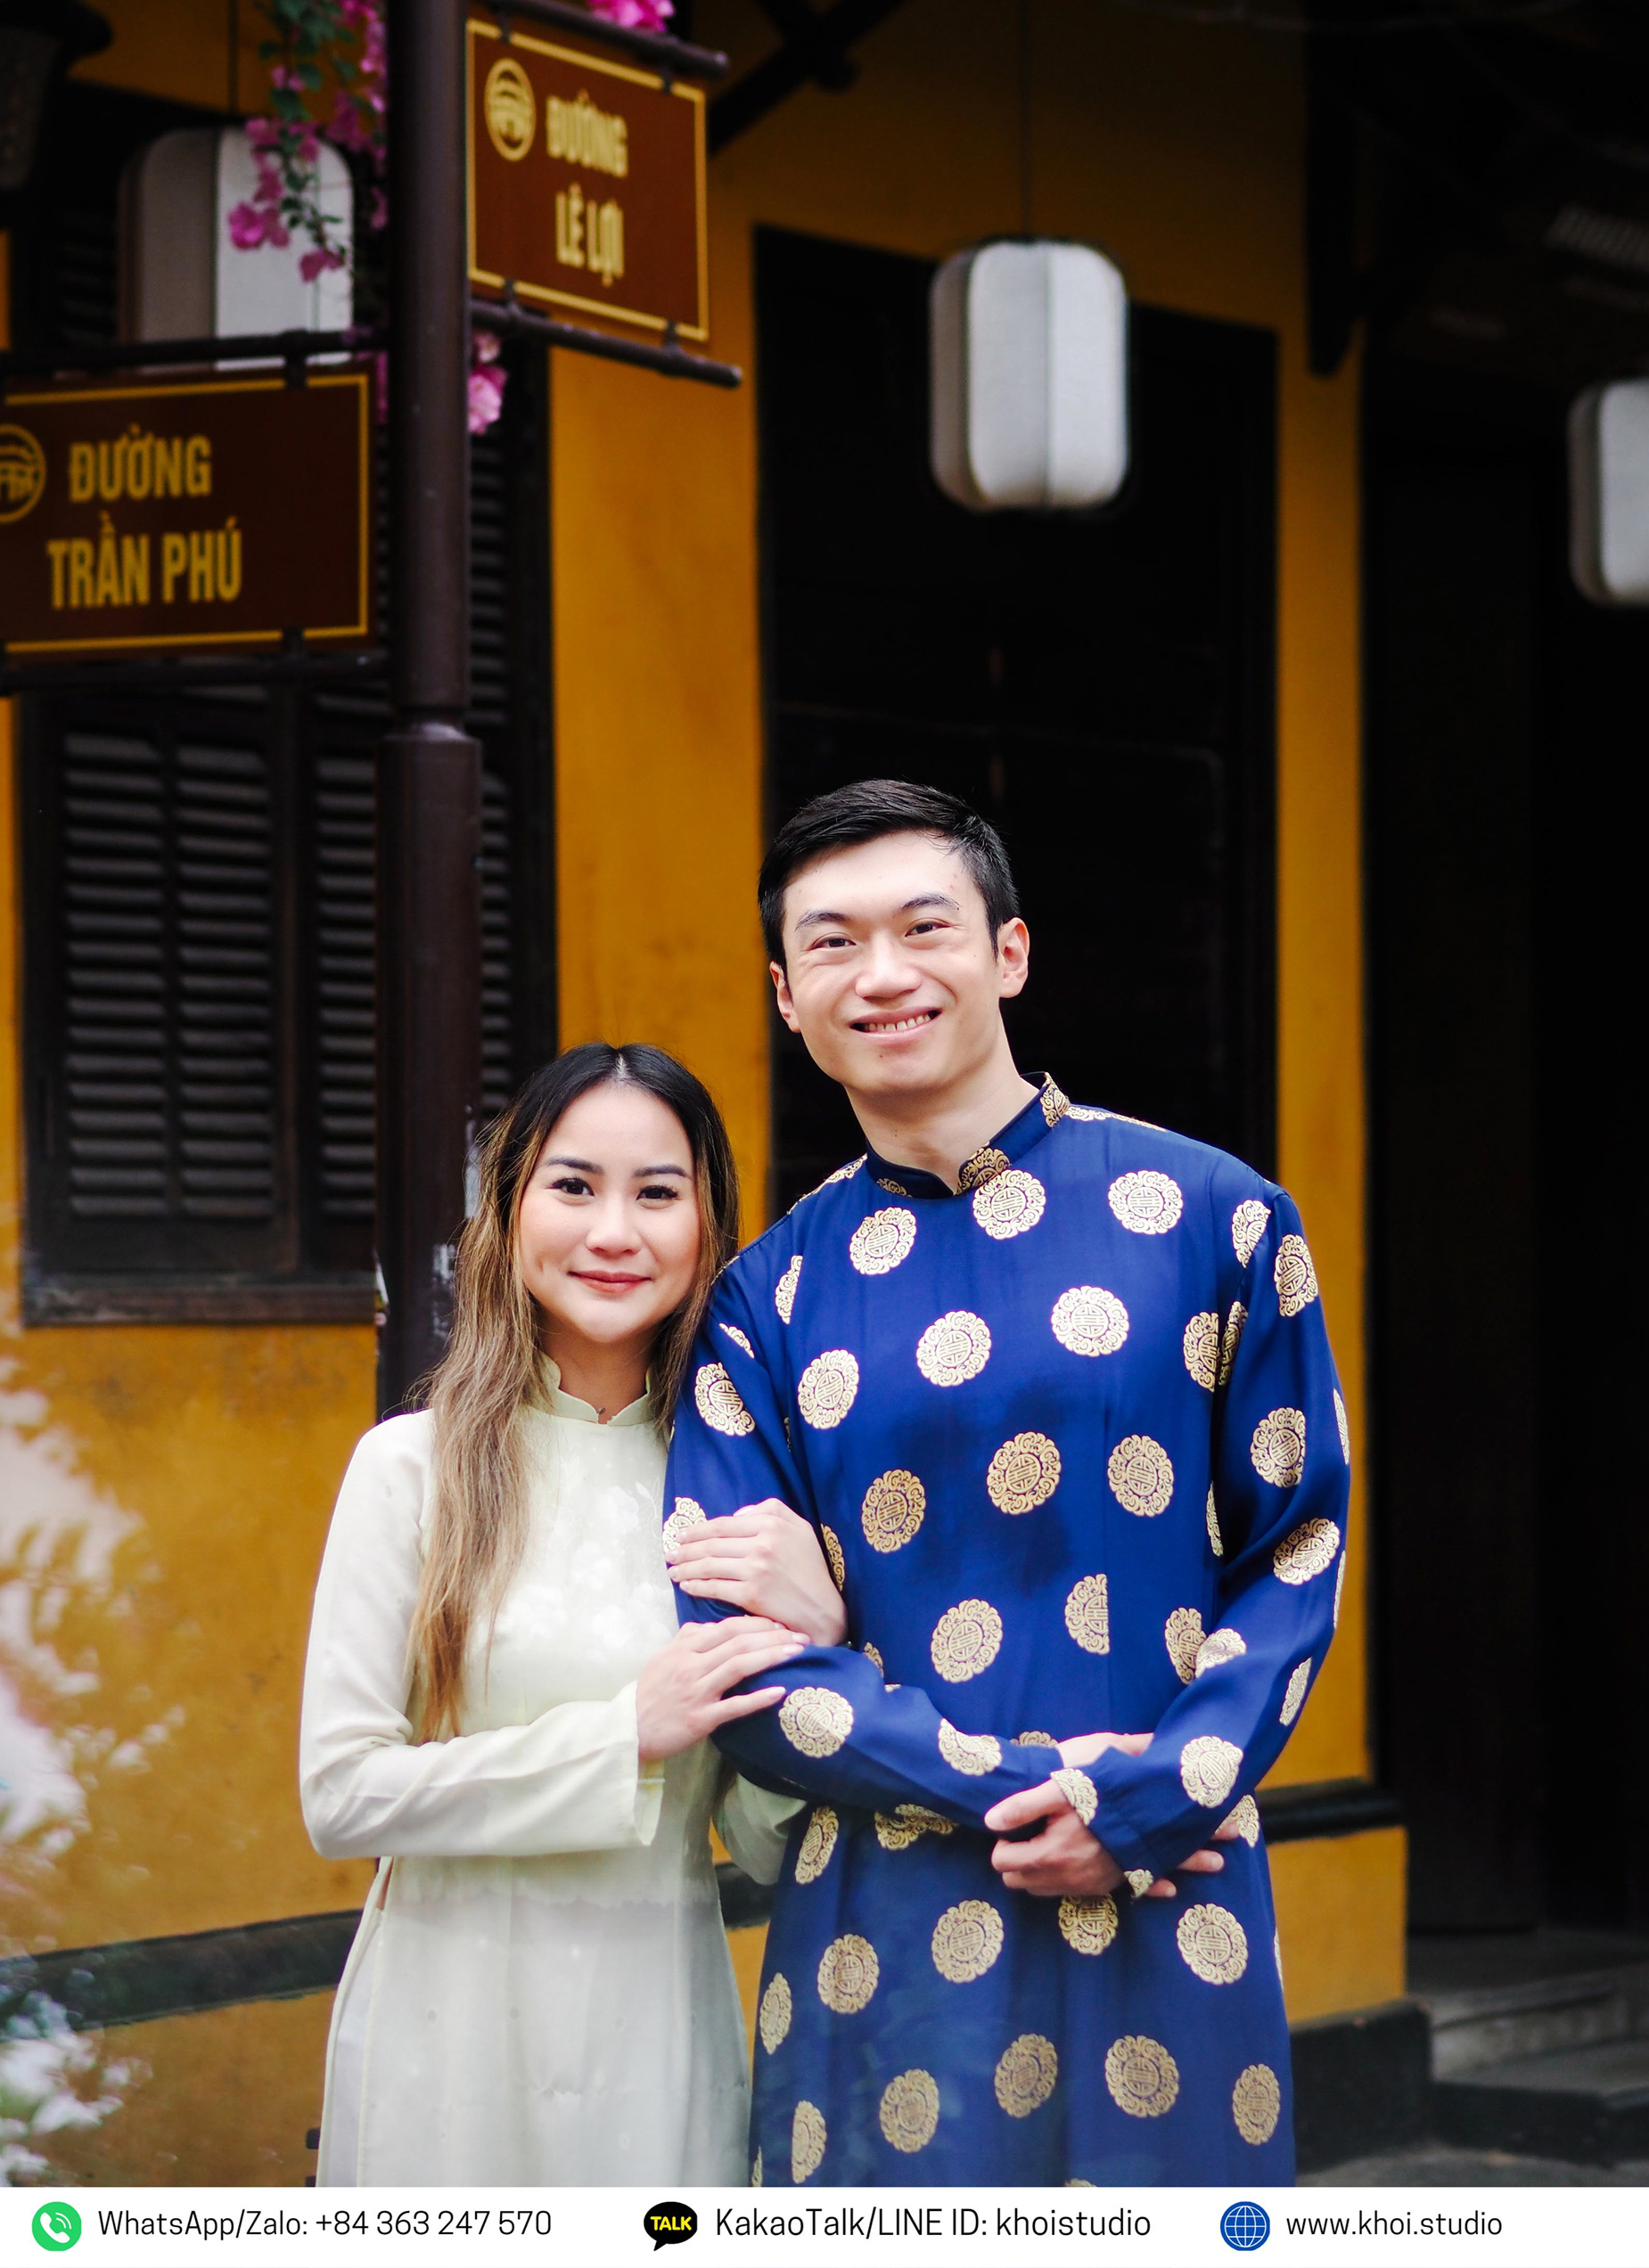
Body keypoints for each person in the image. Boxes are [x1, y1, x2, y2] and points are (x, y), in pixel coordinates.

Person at [664, 781, 1350, 2187]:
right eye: (836, 944)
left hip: (1176, 1879)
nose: (888, 972)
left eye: (927, 926)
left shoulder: (1216, 1217)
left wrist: (1156, 1799)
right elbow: (733, 1658)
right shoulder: (762, 1300)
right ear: (788, 996)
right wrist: (1032, 1790)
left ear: (1011, 953)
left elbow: (1298, 1544)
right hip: (887, 1916)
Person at [299, 1042, 848, 2186]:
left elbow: (758, 1838)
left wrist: (823, 1652)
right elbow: (342, 1793)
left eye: (658, 1192)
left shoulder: (742, 1495)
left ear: (709, 1228)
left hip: (658, 2025)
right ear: (507, 1212)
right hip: (443, 2034)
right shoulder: (413, 1468)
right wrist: (620, 1733)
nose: (614, 1231)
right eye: (573, 1184)